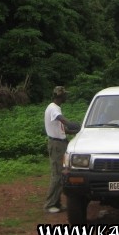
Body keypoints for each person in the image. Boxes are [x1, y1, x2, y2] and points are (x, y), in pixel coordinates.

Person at [43, 86, 81, 214]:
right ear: (60, 96)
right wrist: (74, 124)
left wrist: (76, 131)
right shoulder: (54, 108)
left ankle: (56, 203)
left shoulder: (54, 108)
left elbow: (62, 129)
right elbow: (63, 121)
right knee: (58, 174)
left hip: (60, 143)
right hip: (57, 145)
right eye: (65, 95)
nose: (66, 97)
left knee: (61, 174)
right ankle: (50, 204)